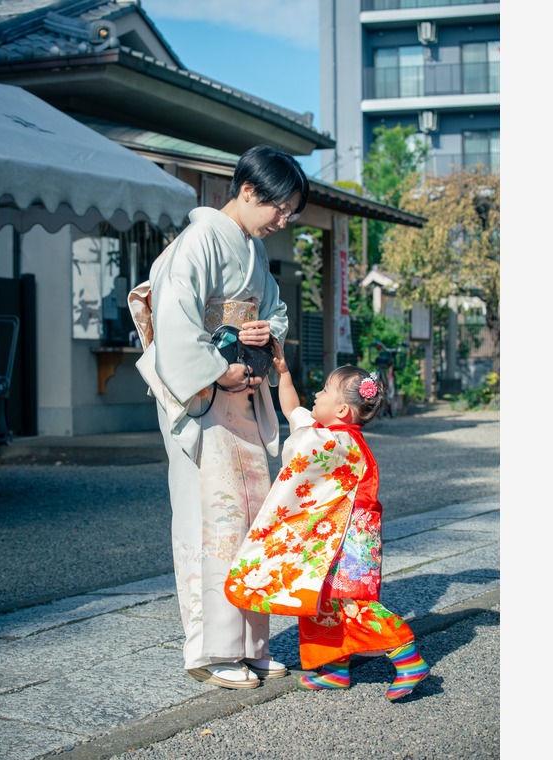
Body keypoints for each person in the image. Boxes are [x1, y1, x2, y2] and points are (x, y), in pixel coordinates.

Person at [138, 145, 309, 690]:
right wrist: (215, 374)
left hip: (241, 393)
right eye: (279, 209)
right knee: (210, 522)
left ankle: (253, 646)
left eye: (290, 213)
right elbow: (173, 320)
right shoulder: (198, 243)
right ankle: (212, 651)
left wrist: (266, 334)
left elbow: (274, 312)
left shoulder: (254, 254)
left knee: (251, 518)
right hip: (207, 398)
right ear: (248, 192)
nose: (283, 221)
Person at [224, 345, 432, 701]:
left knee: (353, 605)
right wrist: (284, 374)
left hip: (347, 544)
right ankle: (334, 669)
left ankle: (408, 658)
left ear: (341, 410)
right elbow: (296, 413)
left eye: (323, 391)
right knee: (320, 602)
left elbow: (302, 436)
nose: (315, 396)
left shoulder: (339, 443)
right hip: (334, 540)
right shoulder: (333, 437)